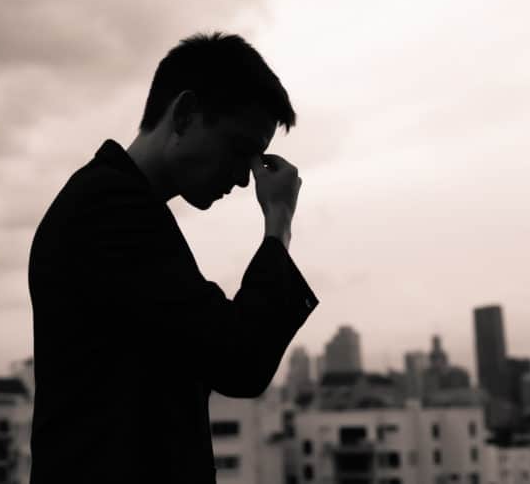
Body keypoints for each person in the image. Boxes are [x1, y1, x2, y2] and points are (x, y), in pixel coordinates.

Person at [28, 32, 319, 483]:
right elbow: (240, 360)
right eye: (239, 150)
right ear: (184, 115)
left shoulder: (119, 204)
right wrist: (278, 222)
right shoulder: (111, 209)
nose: (245, 179)